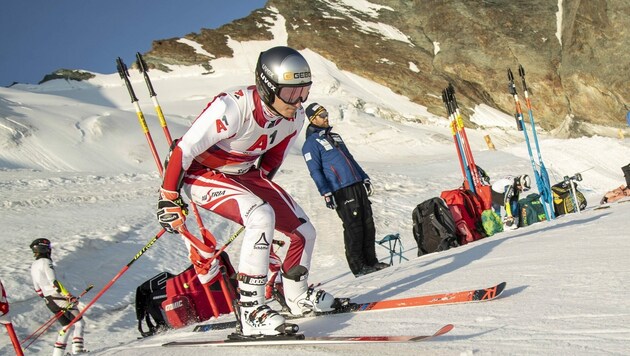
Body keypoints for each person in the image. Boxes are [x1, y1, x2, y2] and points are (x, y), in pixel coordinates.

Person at [156, 46, 340, 337]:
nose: (299, 101)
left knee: (303, 232)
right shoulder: (231, 108)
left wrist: (260, 190)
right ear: (267, 87)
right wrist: (168, 197)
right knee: (260, 214)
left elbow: (272, 158)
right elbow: (184, 149)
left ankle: (295, 297)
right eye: (291, 93)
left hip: (244, 173)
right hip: (200, 172)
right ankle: (251, 309)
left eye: (304, 91)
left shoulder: (294, 117)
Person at [301, 103, 389, 277]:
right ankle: (359, 267)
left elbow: (350, 158)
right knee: (353, 226)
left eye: (326, 113)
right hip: (340, 189)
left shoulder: (335, 137)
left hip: (356, 184)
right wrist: (326, 192)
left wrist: (364, 177)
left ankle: (371, 261)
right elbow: (315, 171)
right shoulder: (310, 144)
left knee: (368, 224)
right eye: (322, 115)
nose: (326, 117)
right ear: (312, 119)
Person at [29, 238, 87, 355]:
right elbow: (54, 282)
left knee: (67, 325)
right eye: (49, 248)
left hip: (49, 300)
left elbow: (37, 289)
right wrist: (68, 296)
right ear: (45, 249)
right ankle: (78, 352)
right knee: (79, 323)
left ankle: (57, 354)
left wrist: (47, 297)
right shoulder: (46, 262)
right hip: (57, 297)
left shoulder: (34, 265)